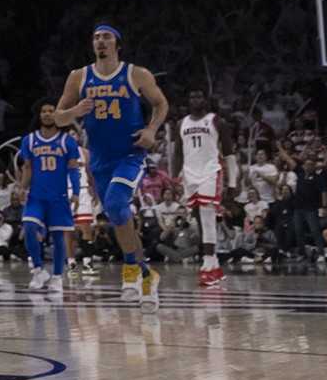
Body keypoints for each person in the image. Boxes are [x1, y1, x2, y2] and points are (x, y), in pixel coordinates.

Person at [54, 23, 169, 306]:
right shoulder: (78, 77)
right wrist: (74, 111)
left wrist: (152, 130)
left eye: (106, 37)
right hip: (100, 159)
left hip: (130, 154)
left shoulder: (136, 74)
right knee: (117, 217)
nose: (100, 41)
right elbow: (57, 118)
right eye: (96, 37)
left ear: (117, 43)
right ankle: (144, 273)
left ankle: (131, 269)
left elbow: (161, 104)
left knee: (117, 203)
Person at [14, 104, 82, 296]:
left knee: (58, 237)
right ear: (39, 115)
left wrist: (76, 193)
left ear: (59, 114)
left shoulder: (67, 141)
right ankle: (38, 270)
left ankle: (58, 277)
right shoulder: (29, 140)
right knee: (28, 227)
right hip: (36, 196)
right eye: (43, 111)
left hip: (58, 198)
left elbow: (73, 169)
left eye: (51, 110)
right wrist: (21, 187)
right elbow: (27, 168)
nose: (47, 114)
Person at [176, 88, 233, 288]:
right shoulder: (181, 123)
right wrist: (177, 177)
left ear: (205, 100)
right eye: (192, 96)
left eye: (199, 96)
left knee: (208, 218)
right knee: (199, 219)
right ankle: (215, 264)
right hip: (190, 173)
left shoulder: (217, 120)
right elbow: (177, 153)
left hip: (210, 171)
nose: (195, 99)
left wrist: (232, 182)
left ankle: (207, 266)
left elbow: (229, 153)